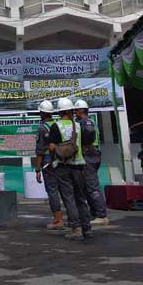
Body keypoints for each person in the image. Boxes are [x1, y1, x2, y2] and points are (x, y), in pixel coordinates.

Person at [48, 97, 92, 241]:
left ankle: (75, 228)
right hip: (79, 165)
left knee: (69, 198)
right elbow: (85, 143)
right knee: (81, 198)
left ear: (60, 112)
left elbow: (51, 147)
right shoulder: (78, 126)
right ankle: (87, 228)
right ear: (71, 110)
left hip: (63, 166)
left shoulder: (56, 126)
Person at [74, 99, 109, 226]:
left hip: (90, 156)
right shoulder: (88, 121)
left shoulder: (86, 122)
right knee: (88, 187)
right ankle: (94, 213)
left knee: (92, 187)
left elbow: (88, 136)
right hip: (91, 156)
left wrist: (87, 145)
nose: (75, 112)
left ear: (82, 110)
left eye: (76, 110)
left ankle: (101, 215)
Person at [35, 99, 64, 230]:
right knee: (64, 190)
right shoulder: (58, 124)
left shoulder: (42, 128)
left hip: (48, 162)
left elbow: (40, 151)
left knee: (52, 191)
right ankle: (72, 218)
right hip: (61, 160)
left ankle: (58, 219)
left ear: (42, 113)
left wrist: (37, 169)